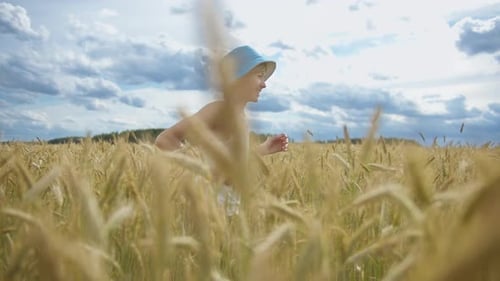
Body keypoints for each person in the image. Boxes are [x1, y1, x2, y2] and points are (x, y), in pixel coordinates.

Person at [155, 45, 288, 215]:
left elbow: (230, 161)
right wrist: (202, 172)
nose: (264, 85)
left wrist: (263, 149)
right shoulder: (218, 110)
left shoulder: (241, 118)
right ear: (239, 79)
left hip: (231, 212)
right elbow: (165, 140)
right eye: (259, 76)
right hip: (211, 212)